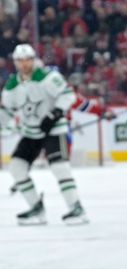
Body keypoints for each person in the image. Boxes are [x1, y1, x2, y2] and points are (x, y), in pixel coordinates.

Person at [0, 44, 88, 225]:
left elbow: (68, 95)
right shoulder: (11, 86)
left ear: (33, 60)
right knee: (17, 167)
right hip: (31, 132)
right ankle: (36, 208)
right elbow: (7, 111)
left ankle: (76, 207)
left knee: (59, 167)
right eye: (20, 61)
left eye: (28, 60)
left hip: (54, 129)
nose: (25, 64)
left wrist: (54, 113)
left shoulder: (48, 77)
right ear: (15, 63)